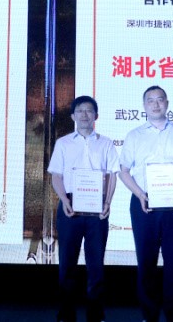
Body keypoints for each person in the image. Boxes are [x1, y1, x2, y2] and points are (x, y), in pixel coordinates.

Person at [118, 85, 173, 322]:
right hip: (144, 204)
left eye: (160, 99)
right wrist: (139, 194)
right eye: (150, 100)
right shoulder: (134, 135)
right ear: (144, 106)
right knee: (146, 261)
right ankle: (149, 314)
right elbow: (123, 171)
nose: (156, 104)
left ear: (167, 103)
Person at [48, 95, 120, 322]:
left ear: (96, 116)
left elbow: (112, 175)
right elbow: (56, 176)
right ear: (73, 116)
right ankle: (66, 312)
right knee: (67, 262)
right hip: (70, 205)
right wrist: (64, 200)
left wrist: (107, 203)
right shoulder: (63, 143)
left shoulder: (106, 143)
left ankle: (95, 312)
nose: (85, 115)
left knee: (96, 263)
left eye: (89, 111)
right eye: (80, 111)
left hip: (98, 207)